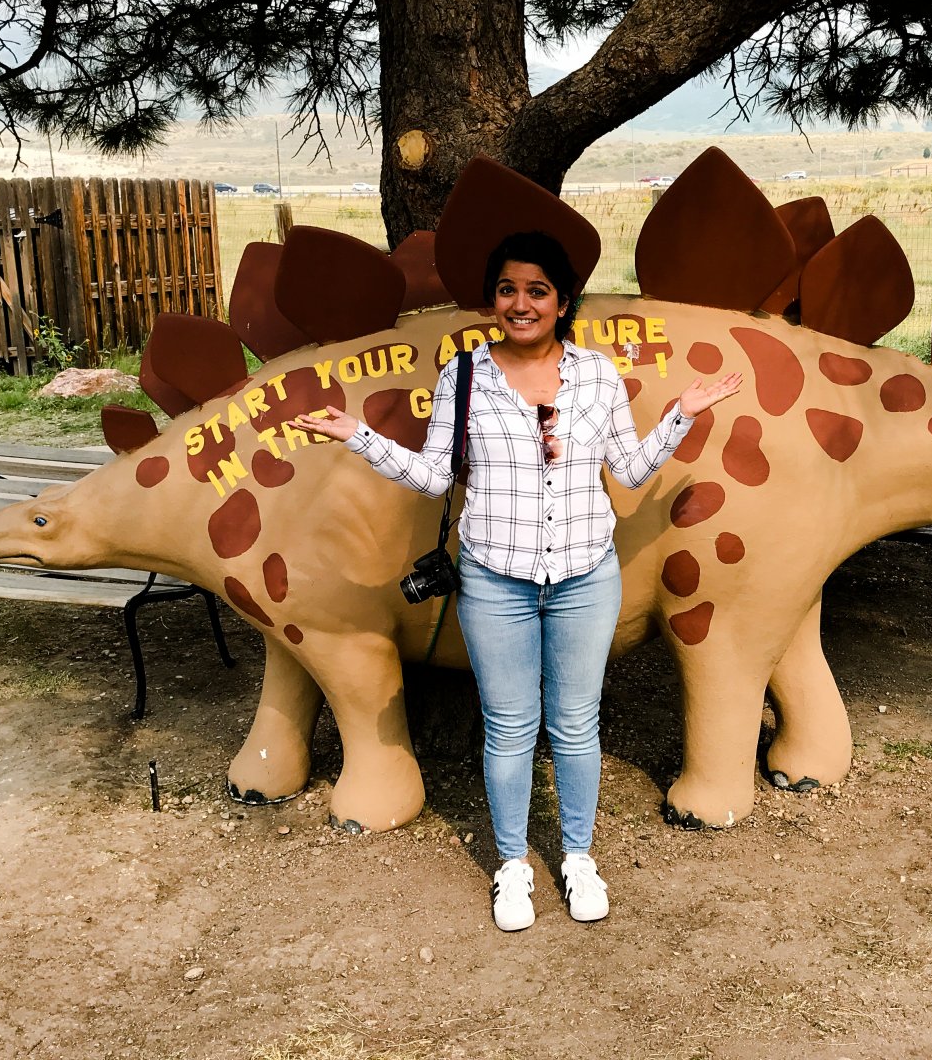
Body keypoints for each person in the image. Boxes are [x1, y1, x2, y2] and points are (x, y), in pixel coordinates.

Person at [294, 231, 741, 931]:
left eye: (537, 290)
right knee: (508, 728)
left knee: (575, 726)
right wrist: (357, 435)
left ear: (562, 301)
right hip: (495, 579)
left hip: (584, 575)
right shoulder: (465, 376)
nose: (521, 303)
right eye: (508, 289)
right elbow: (436, 475)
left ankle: (578, 857)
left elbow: (627, 469)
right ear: (492, 300)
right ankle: (511, 867)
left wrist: (682, 411)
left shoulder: (595, 375)